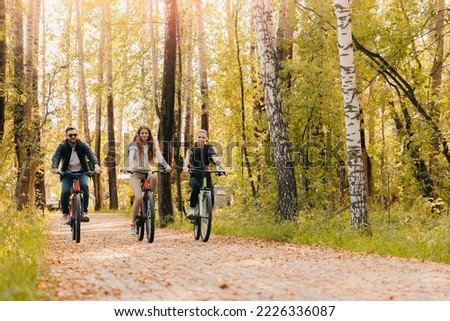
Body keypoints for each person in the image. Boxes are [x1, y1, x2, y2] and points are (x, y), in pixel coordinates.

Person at [121, 125, 172, 234]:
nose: (144, 135)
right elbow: (130, 157)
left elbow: (159, 157)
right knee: (138, 197)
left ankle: (150, 199)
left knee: (154, 176)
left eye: (146, 133)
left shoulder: (152, 145)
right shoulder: (134, 145)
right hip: (136, 174)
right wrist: (125, 166)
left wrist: (166, 165)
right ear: (138, 134)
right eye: (142, 133)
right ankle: (132, 225)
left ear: (149, 135)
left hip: (148, 172)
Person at [51, 126, 101, 224]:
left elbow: (91, 154)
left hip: (82, 172)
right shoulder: (62, 146)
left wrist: (96, 165)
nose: (73, 136)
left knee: (84, 186)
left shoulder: (83, 145)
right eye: (70, 135)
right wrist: (54, 167)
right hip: (67, 173)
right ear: (66, 136)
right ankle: (65, 214)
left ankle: (85, 212)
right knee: (65, 191)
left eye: (75, 134)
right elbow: (56, 157)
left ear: (77, 135)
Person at [182, 129, 228, 220]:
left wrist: (224, 168)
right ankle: (192, 209)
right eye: (199, 137)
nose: (201, 139)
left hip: (206, 175)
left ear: (206, 138)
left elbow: (215, 159)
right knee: (196, 188)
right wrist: (185, 167)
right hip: (195, 175)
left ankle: (207, 214)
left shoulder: (209, 148)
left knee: (211, 195)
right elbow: (187, 159)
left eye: (203, 137)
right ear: (196, 138)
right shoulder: (191, 150)